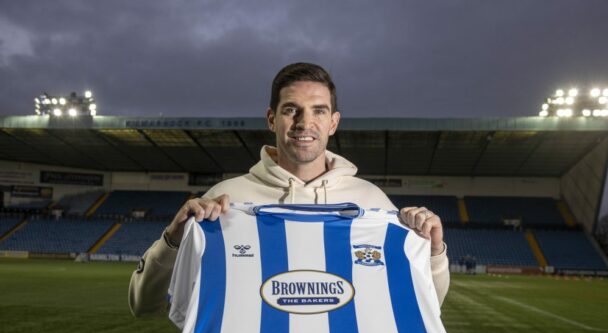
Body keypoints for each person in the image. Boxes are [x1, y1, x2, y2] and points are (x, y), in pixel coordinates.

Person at [129, 62, 450, 316]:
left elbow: (424, 307)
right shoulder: (225, 198)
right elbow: (145, 305)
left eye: (318, 110)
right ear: (272, 119)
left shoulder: (371, 201)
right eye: (290, 109)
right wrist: (173, 238)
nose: (303, 122)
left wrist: (434, 253)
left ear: (334, 122)